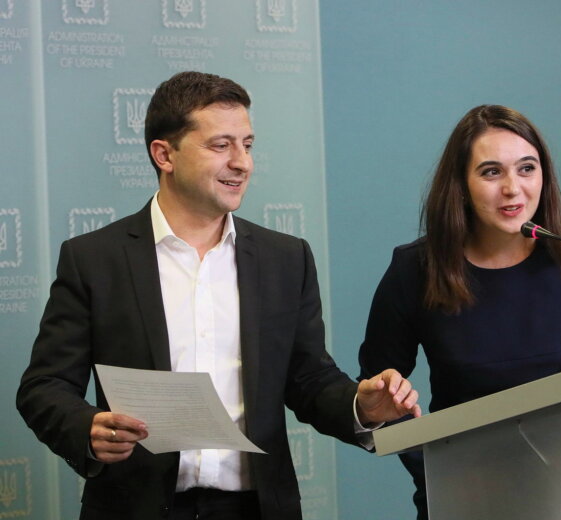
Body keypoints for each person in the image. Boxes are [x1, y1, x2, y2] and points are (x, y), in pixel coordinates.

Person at [17, 71, 420, 520]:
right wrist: (85, 427)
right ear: (164, 154)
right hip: (136, 507)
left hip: (257, 508)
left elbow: (308, 380)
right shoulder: (93, 259)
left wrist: (360, 407)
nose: (242, 162)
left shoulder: (286, 259)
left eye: (247, 144)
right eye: (220, 145)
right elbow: (44, 386)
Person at [358, 104, 561, 519]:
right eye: (492, 172)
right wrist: (433, 469)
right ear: (461, 185)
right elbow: (376, 398)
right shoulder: (416, 269)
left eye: (527, 168)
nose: (513, 188)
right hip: (463, 494)